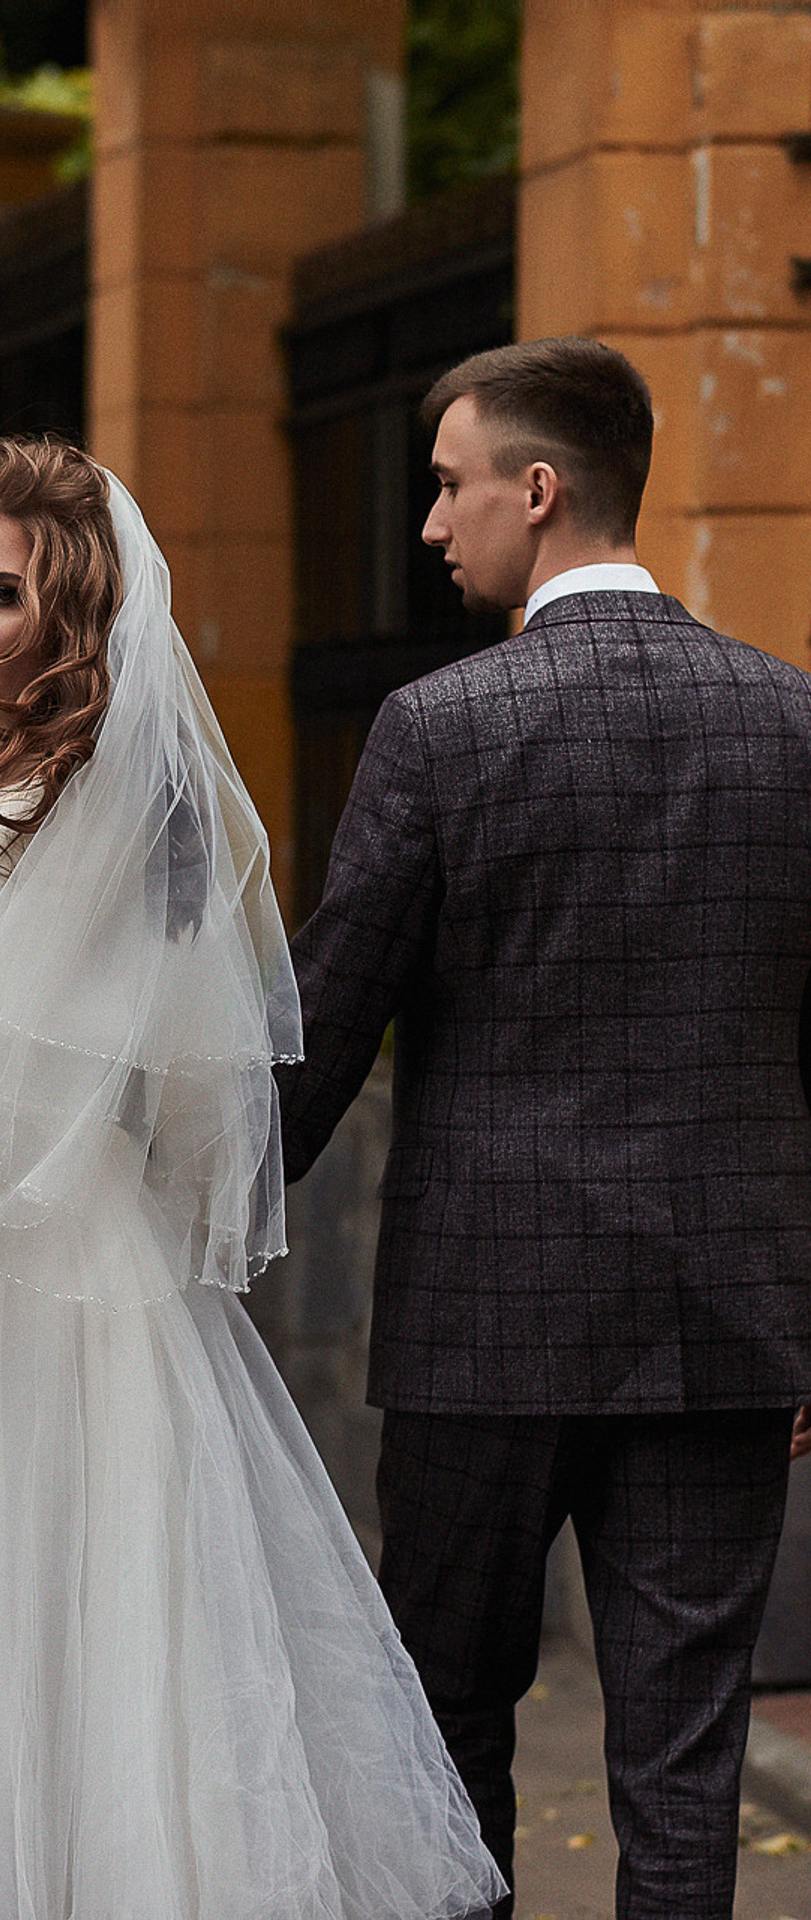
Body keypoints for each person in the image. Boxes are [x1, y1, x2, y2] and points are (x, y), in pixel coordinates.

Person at [0, 437, 505, 1917]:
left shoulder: (56, 821)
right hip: (92, 1275)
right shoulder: (107, 805)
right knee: (56, 1672)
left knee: (9, 1672)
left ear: (73, 621)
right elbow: (186, 1107)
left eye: (2, 595)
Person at [275, 337, 811, 1919]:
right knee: (686, 1761)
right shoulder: (792, 723)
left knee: (449, 1728)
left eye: (449, 487)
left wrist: (180, 1208)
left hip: (482, 1328)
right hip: (724, 1323)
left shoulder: (438, 729)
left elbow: (327, 1021)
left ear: (539, 488)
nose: (430, 523)